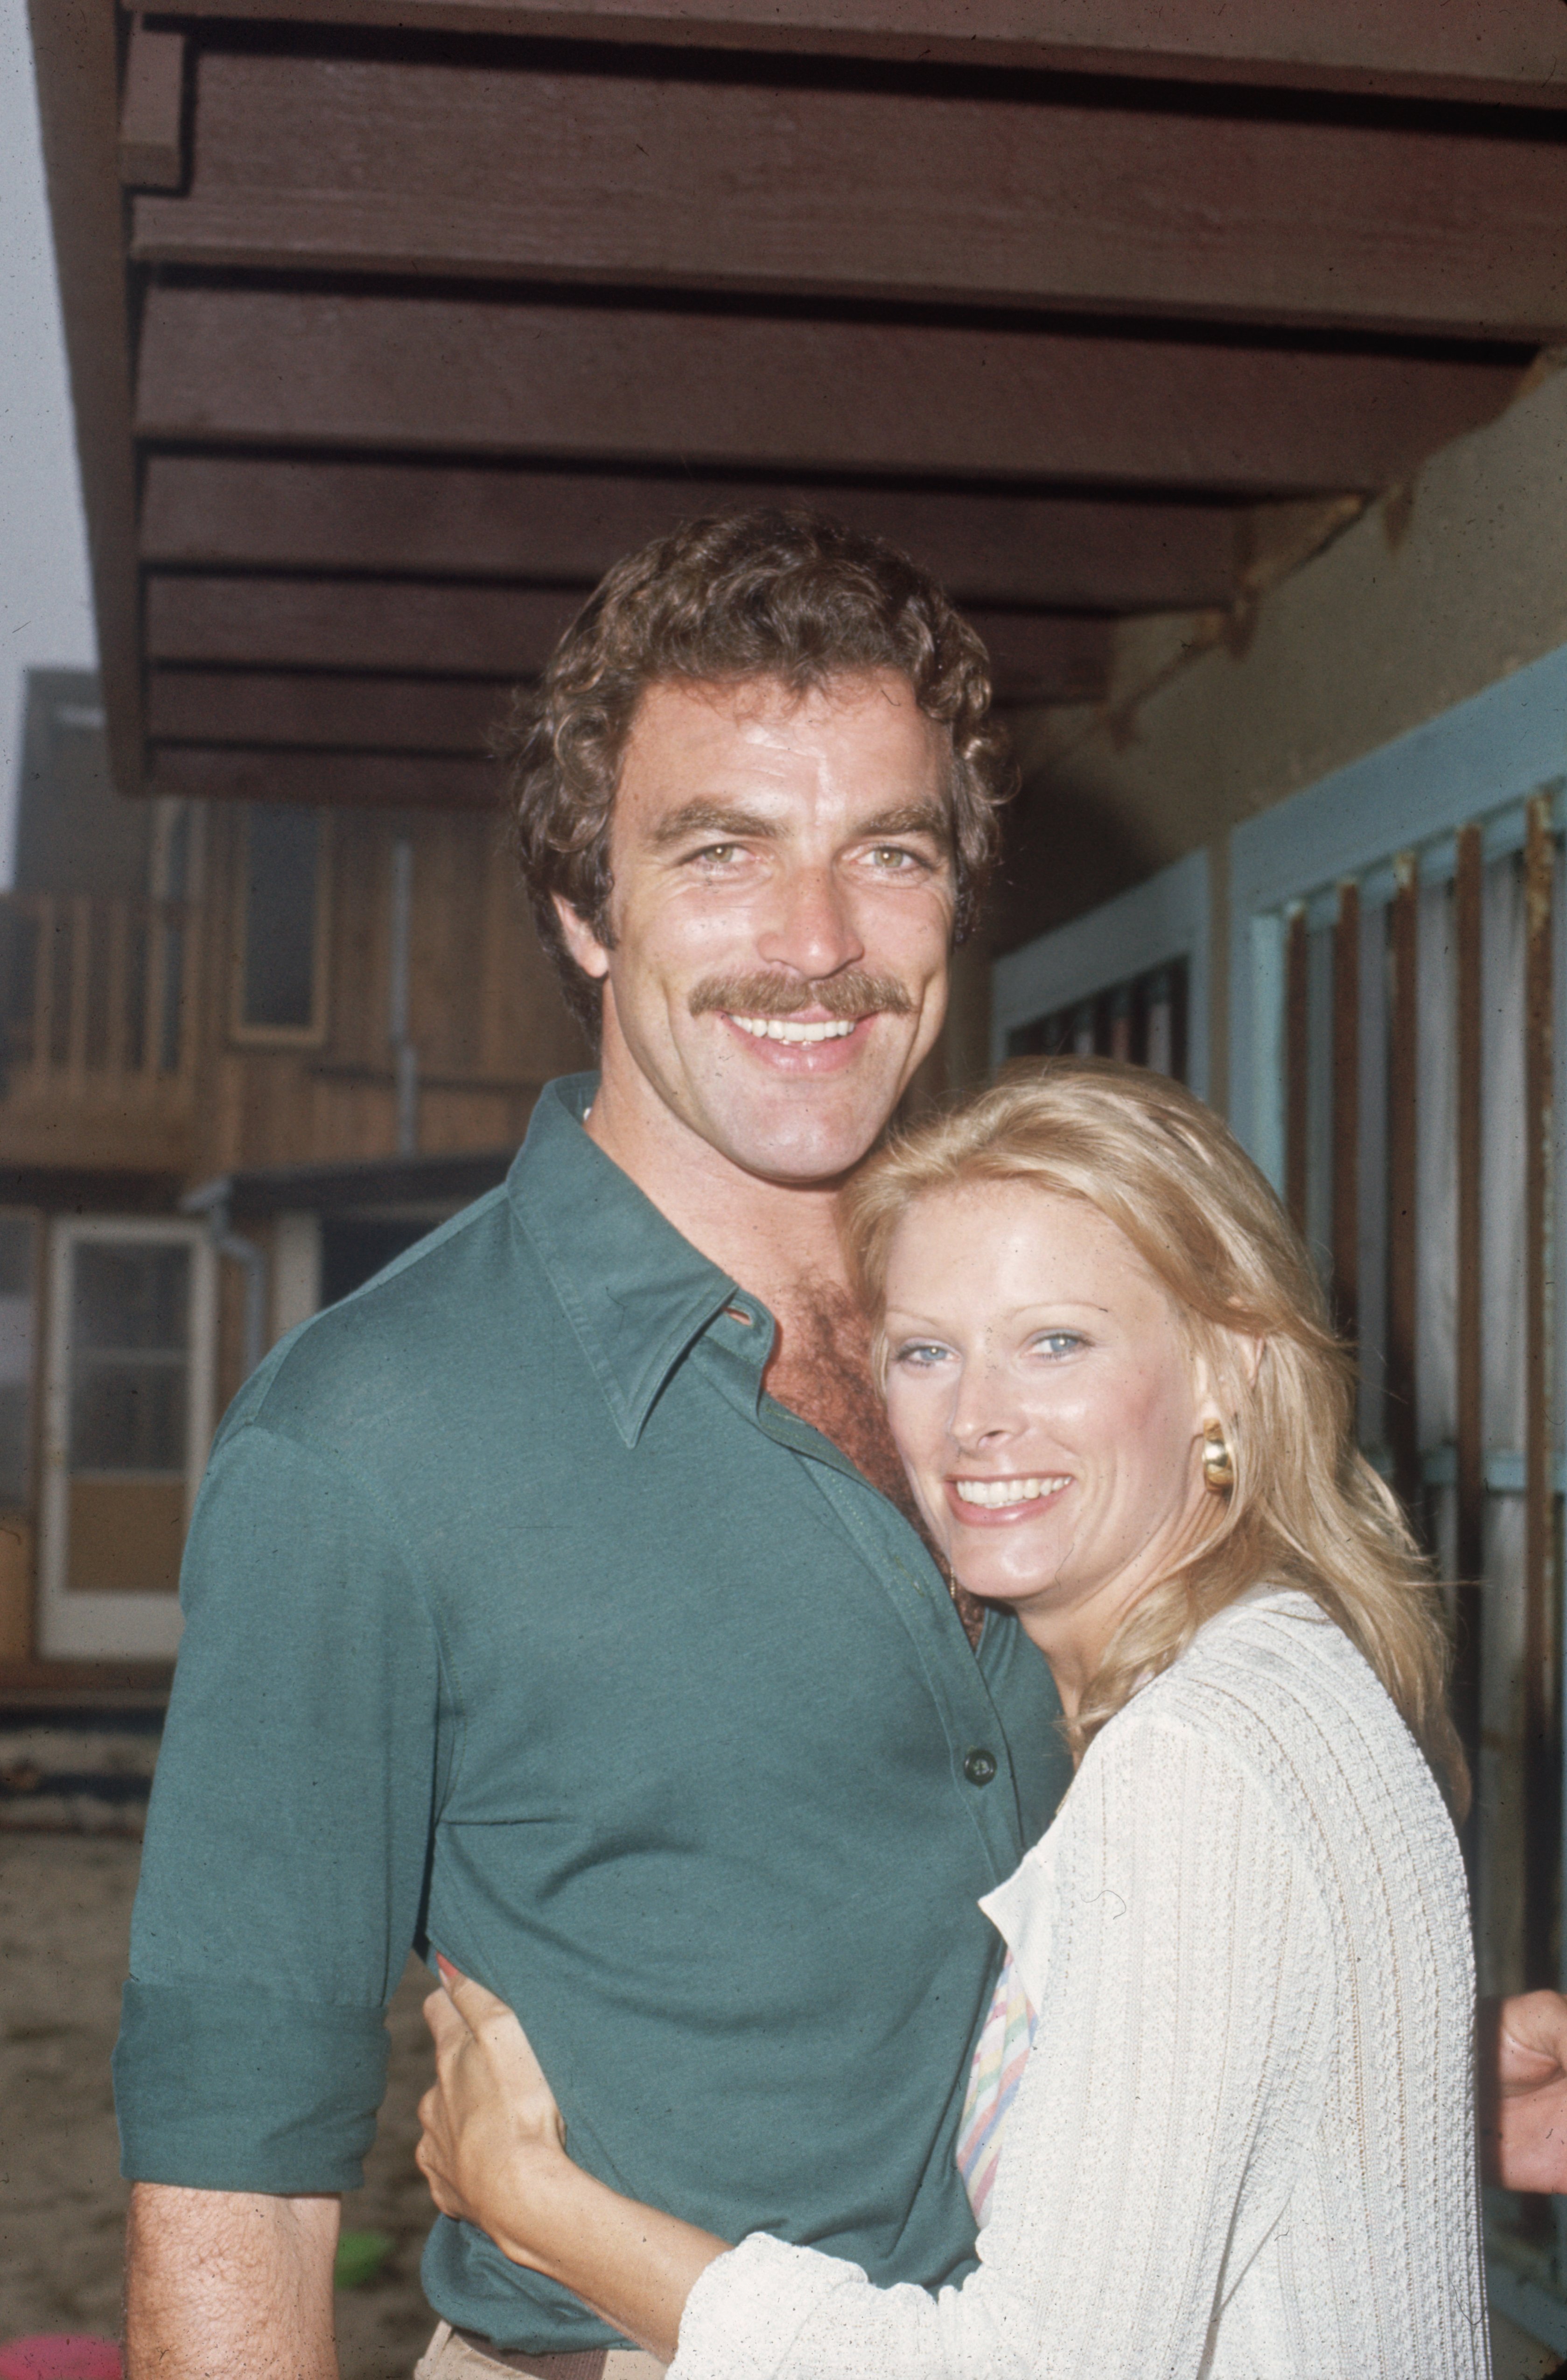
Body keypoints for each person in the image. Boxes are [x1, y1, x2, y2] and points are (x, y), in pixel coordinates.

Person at [115, 507, 1567, 2380]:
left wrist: (1380, 2071)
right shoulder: (365, 1441)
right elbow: (235, 2197)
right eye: (720, 854)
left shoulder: (1069, 1348)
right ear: (583, 904)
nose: (816, 947)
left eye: (885, 853)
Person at [412, 1061, 1489, 2377]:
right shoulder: (1295, 1662)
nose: (976, 1417)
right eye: (925, 1350)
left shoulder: (1192, 1762)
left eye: (1057, 1340)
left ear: (1228, 1367)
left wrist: (542, 2206)